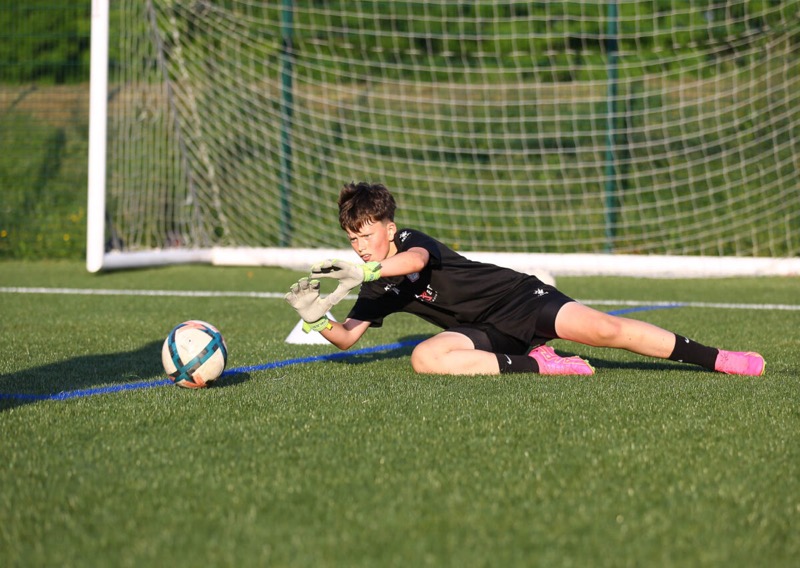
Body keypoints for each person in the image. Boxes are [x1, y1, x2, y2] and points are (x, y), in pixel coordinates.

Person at [285, 182, 765, 376]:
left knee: (608, 331)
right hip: (486, 332)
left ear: (387, 227)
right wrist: (316, 318)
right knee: (425, 357)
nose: (361, 246)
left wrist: (367, 268)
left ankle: (717, 359)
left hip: (518, 298)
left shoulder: (411, 241)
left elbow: (410, 263)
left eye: (366, 235)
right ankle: (542, 364)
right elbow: (347, 338)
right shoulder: (374, 284)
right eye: (352, 240)